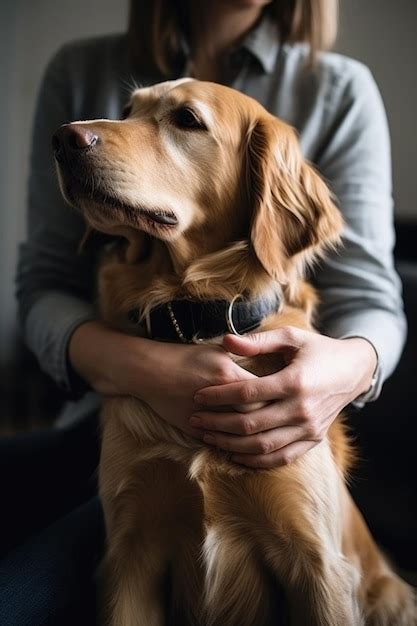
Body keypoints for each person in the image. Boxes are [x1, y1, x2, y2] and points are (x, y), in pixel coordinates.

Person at [4, 0, 404, 622]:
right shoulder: (79, 66)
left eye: (183, 120)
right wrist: (144, 372)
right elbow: (43, 284)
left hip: (274, 393)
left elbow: (371, 296)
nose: (103, 128)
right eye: (132, 113)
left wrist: (345, 369)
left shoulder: (338, 89)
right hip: (105, 412)